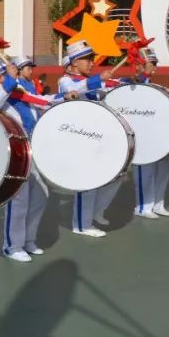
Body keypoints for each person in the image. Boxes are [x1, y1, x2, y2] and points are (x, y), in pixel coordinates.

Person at [58, 40, 121, 238]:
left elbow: (106, 89)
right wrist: (97, 80)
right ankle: (82, 225)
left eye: (91, 59)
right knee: (87, 182)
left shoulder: (88, 80)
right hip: (79, 138)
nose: (91, 62)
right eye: (86, 59)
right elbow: (76, 90)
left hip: (97, 136)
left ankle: (96, 211)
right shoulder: (65, 80)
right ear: (73, 63)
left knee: (116, 175)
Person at [0, 55, 51, 261]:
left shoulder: (28, 90)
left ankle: (28, 239)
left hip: (32, 148)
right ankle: (12, 245)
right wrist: (9, 80)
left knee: (41, 194)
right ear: (18, 70)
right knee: (18, 200)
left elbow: (42, 103)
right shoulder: (10, 91)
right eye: (28, 67)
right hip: (17, 150)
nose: (32, 70)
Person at [130, 49, 169, 219]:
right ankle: (142, 207)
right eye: (152, 64)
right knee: (144, 172)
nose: (155, 68)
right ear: (139, 66)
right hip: (141, 137)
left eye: (155, 64)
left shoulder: (150, 82)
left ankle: (158, 204)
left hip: (155, 135)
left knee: (164, 168)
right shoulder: (133, 82)